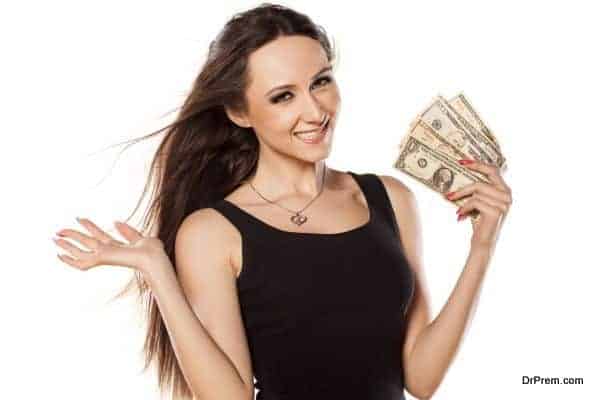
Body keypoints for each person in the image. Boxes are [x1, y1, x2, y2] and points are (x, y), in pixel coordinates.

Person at [52, 3, 512, 400]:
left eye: (321, 82)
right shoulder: (214, 232)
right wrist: (159, 272)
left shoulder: (391, 199)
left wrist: (482, 247)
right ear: (239, 112)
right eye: (282, 96)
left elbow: (422, 379)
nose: (314, 111)